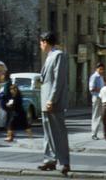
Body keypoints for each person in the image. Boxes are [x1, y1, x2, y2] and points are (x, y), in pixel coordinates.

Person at [38, 31, 70, 176]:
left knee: (58, 132)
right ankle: (49, 159)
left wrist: (52, 99)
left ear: (45, 42)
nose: (40, 45)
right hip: (45, 100)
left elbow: (58, 80)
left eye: (41, 42)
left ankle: (64, 162)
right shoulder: (49, 56)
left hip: (52, 101)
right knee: (48, 132)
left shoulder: (58, 55)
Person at [88, 62, 105, 139]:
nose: (101, 71)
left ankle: (104, 133)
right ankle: (93, 133)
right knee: (96, 115)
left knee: (102, 115)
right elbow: (92, 88)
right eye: (100, 69)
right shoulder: (94, 77)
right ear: (96, 69)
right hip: (96, 97)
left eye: (102, 69)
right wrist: (102, 89)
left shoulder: (101, 77)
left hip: (102, 97)